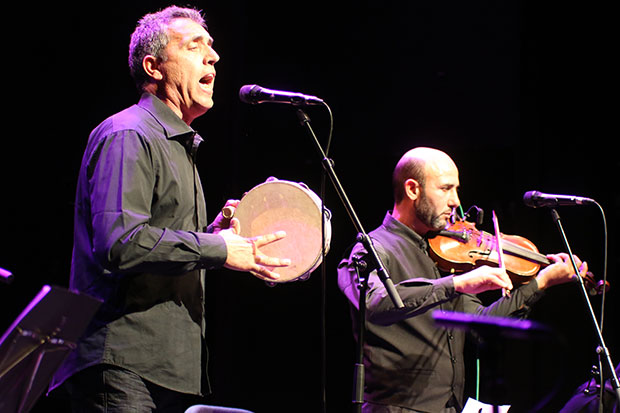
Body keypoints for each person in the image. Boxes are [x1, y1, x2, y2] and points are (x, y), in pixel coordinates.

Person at [49, 5, 290, 412]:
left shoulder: (179, 146)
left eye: (211, 47)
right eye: (194, 46)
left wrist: (215, 237)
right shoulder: (128, 134)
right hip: (121, 361)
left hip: (164, 368)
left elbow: (161, 247)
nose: (212, 56)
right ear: (154, 66)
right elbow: (120, 243)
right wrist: (217, 249)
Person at [337, 147, 589, 413]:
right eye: (446, 189)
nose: (456, 201)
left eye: (456, 189)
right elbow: (374, 303)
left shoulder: (446, 254)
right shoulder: (374, 249)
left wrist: (540, 282)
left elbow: (483, 326)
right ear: (413, 189)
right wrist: (457, 284)